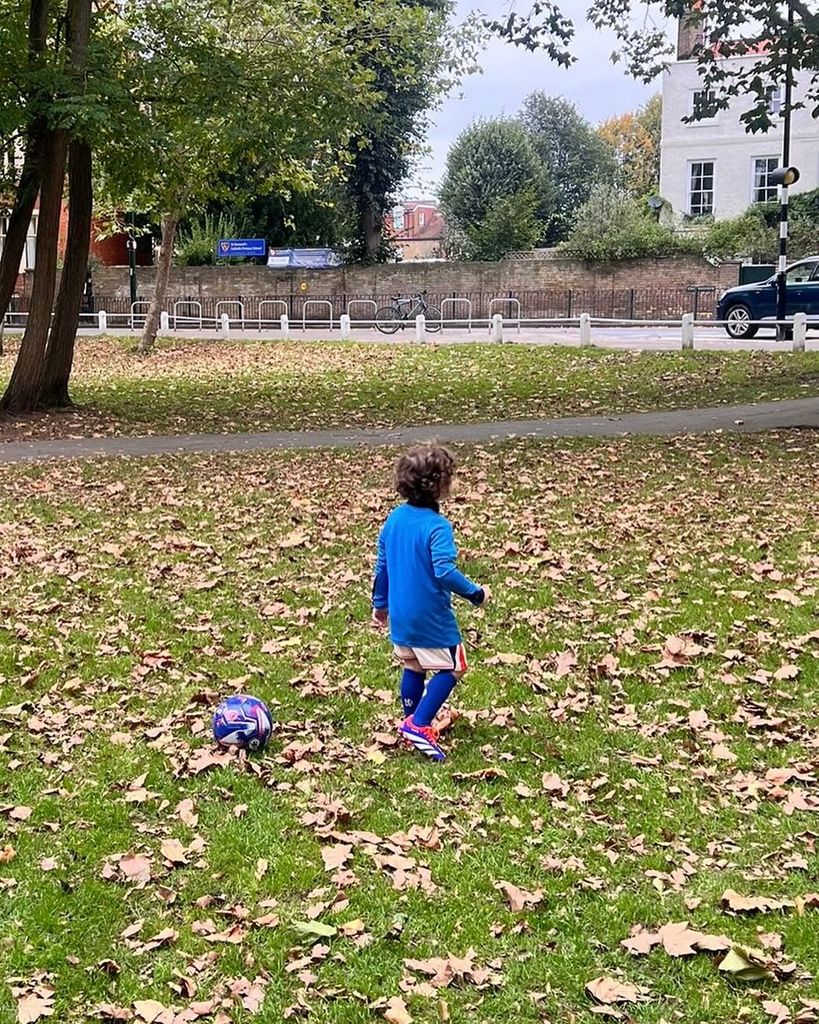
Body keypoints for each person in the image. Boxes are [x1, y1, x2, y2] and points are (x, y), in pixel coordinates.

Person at [371, 445, 490, 762]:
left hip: (401, 614)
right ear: (440, 486)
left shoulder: (394, 519)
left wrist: (380, 605)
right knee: (456, 665)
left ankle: (409, 719)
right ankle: (420, 724)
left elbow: (382, 566)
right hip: (429, 617)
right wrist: (475, 593)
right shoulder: (437, 527)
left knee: (413, 663)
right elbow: (444, 572)